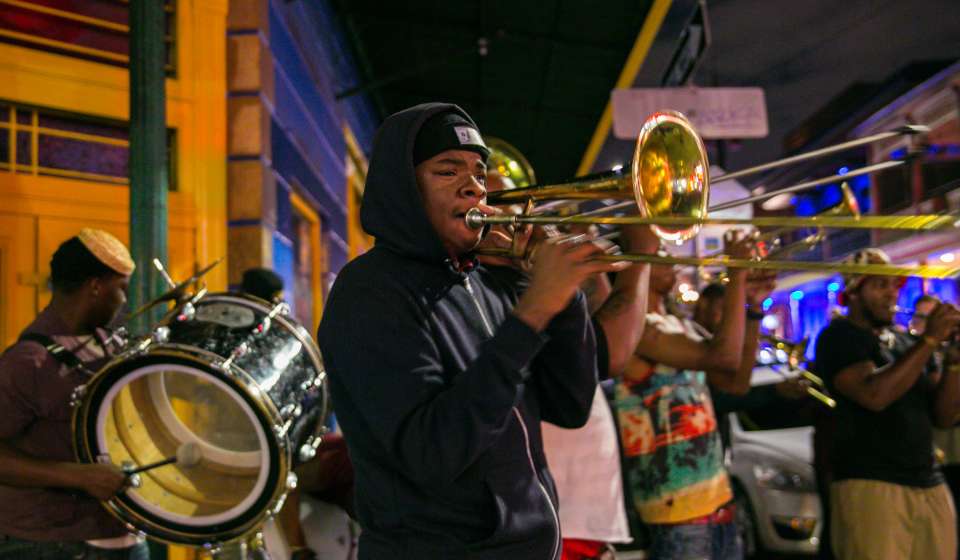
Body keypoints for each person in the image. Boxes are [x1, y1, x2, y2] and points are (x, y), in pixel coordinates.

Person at [317, 103, 626, 559]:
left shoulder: (490, 280)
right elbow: (432, 452)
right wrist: (533, 312)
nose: (473, 186)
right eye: (447, 170)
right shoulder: (367, 292)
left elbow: (570, 404)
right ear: (403, 187)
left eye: (479, 173)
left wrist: (560, 294)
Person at [479, 169, 658, 560]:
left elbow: (589, 334)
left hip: (570, 519)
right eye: (501, 205)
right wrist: (644, 256)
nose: (519, 216)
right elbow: (611, 353)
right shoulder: (492, 294)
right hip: (552, 520)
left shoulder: (525, 284)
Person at [614, 236, 775, 560]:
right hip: (675, 513)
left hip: (718, 501)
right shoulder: (636, 331)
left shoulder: (679, 325)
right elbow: (724, 358)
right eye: (658, 250)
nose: (670, 256)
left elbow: (736, 383)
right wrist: (736, 276)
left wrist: (754, 308)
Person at [0, 229, 148, 559]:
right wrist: (77, 476)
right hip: (49, 545)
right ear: (95, 286)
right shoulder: (28, 362)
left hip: (121, 536)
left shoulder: (109, 344)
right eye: (120, 290)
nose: (125, 302)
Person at [814, 248, 960, 560]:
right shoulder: (838, 336)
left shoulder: (907, 341)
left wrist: (954, 363)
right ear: (853, 292)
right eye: (880, 285)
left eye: (894, 286)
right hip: (871, 484)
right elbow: (874, 396)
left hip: (929, 482)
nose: (892, 294)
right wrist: (930, 341)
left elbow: (944, 417)